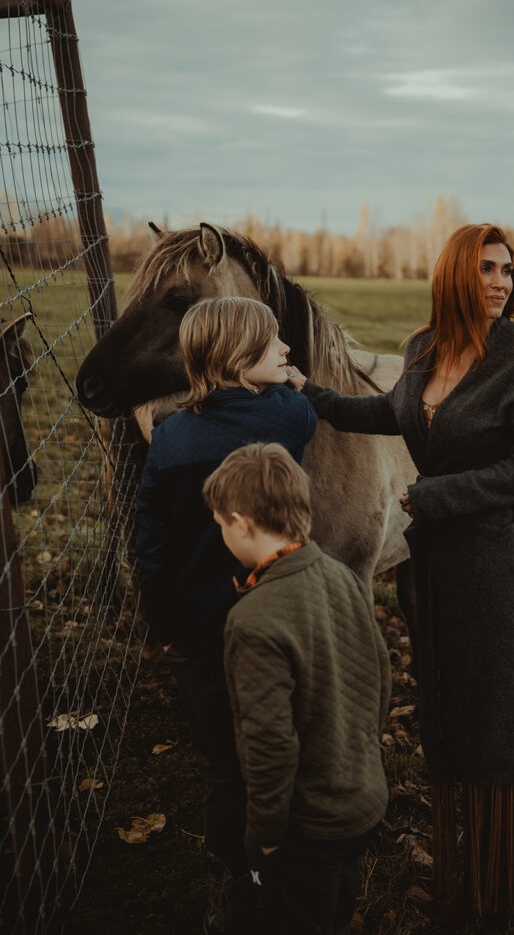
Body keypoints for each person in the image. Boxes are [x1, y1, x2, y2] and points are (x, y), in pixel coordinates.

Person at [287, 223, 514, 922]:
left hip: (490, 558)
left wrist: (436, 495)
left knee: (495, 714)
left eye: (506, 269)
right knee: (442, 703)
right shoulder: (422, 350)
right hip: (431, 559)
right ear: (453, 278)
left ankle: (503, 877)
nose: (499, 281)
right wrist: (310, 392)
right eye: (484, 269)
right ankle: (455, 869)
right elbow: (387, 412)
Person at [135, 297, 317, 935]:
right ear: (242, 359)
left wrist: (164, 622)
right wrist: (293, 382)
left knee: (222, 762)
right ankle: (285, 862)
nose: (287, 353)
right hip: (271, 623)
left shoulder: (172, 436)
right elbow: (299, 398)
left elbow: (150, 539)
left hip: (197, 631)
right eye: (274, 346)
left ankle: (234, 879)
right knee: (279, 742)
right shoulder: (291, 416)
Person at [202, 441, 391, 935]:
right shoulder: (342, 576)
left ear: (242, 523)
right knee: (336, 907)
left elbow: (269, 744)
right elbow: (380, 674)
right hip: (361, 800)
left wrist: (264, 835)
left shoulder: (253, 619)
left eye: (221, 524)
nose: (222, 533)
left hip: (306, 827)